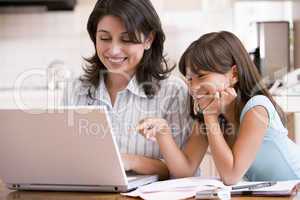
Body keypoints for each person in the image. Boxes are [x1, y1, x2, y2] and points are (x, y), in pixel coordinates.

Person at [137, 31, 300, 184]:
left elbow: (231, 176)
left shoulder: (256, 108)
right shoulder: (211, 116)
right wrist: (162, 131)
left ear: (233, 75)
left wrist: (210, 116)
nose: (193, 88)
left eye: (201, 76)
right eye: (189, 79)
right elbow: (185, 170)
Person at [63, 0, 192, 180]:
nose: (114, 50)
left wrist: (130, 161)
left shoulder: (173, 92)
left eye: (126, 39)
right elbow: (66, 159)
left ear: (148, 39)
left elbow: (183, 172)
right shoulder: (76, 89)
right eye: (104, 38)